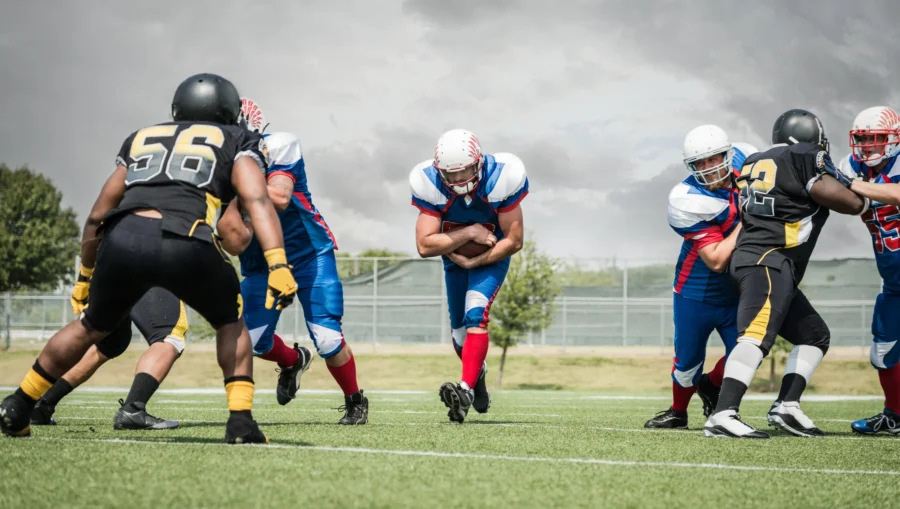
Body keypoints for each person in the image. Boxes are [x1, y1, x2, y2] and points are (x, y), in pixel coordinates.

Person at [0, 73, 298, 444]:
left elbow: (97, 215)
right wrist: (278, 263)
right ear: (228, 110)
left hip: (121, 238)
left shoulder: (142, 137)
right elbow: (256, 199)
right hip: (184, 237)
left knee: (90, 326)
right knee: (231, 322)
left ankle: (19, 404)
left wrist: (84, 276)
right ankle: (240, 422)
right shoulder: (237, 137)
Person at [703, 109, 869, 438]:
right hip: (769, 259)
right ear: (810, 139)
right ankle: (723, 413)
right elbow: (849, 203)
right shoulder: (803, 154)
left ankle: (786, 406)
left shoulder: (759, 161)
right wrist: (863, 197)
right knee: (756, 335)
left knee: (814, 336)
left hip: (763, 260)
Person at [216, 98, 367, 424]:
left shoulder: (278, 147)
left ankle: (355, 399)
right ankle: (293, 360)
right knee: (253, 343)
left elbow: (280, 197)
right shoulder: (215, 168)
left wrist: (230, 184)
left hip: (308, 254)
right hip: (260, 263)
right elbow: (233, 242)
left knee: (328, 339)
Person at [409, 129, 527, 423]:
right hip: (455, 259)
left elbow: (513, 240)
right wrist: (470, 234)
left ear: (478, 163)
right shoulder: (428, 181)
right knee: (459, 334)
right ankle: (478, 376)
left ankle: (464, 391)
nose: (459, 180)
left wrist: (476, 261)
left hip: (492, 257)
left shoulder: (502, 176)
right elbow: (425, 244)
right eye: (451, 175)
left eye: (465, 171)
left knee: (476, 313)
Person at [645, 125, 757, 428]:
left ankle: (711, 386)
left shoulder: (748, 160)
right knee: (686, 365)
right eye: (699, 163)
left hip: (737, 290)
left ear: (728, 154)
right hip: (696, 292)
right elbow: (717, 259)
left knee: (748, 354)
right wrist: (750, 218)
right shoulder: (687, 198)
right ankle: (678, 411)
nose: (708, 168)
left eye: (713, 159)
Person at [31, 288, 186, 430]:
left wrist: (84, 279)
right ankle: (133, 410)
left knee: (111, 342)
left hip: (108, 271)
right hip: (147, 266)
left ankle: (43, 405)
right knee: (169, 337)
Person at [838, 106, 900, 435]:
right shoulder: (852, 167)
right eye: (862, 139)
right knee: (883, 350)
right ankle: (894, 416)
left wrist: (853, 185)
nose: (867, 147)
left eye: (875, 139)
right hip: (894, 282)